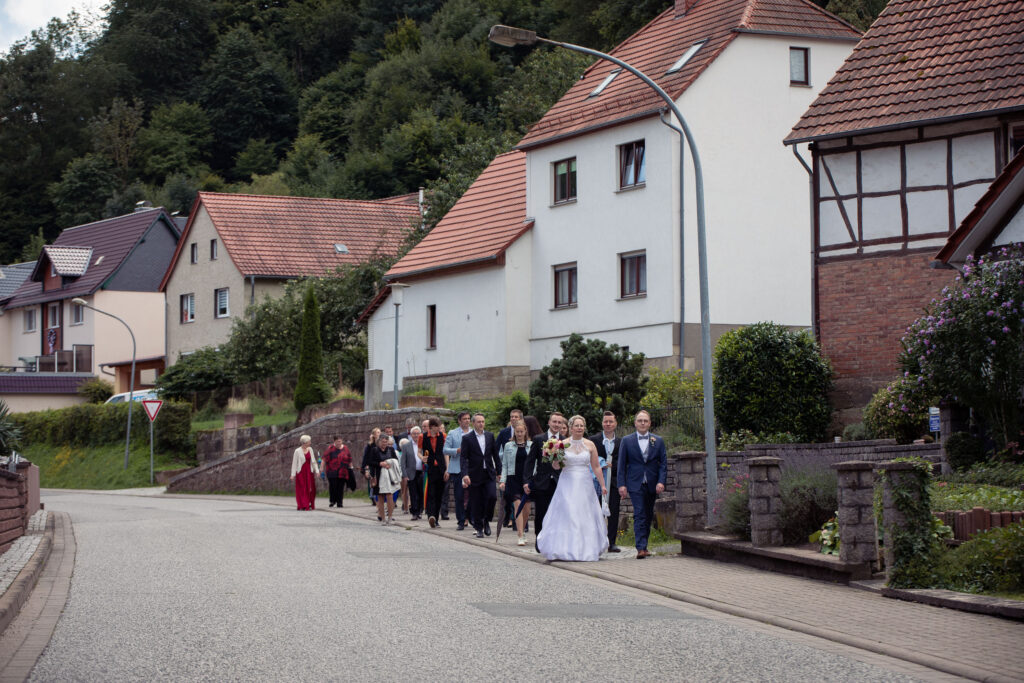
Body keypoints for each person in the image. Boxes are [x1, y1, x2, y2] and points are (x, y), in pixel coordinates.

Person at [536, 415, 609, 561]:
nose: (579, 428)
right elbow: (556, 467)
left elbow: (596, 466)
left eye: (582, 425)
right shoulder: (562, 444)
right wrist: (554, 456)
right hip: (567, 482)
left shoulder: (590, 445)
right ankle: (565, 548)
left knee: (584, 513)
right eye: (577, 425)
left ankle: (585, 548)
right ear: (571, 427)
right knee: (568, 512)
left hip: (585, 483)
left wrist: (602, 485)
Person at [617, 410, 667, 559]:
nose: (643, 423)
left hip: (652, 483)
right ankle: (640, 547)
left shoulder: (658, 441)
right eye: (640, 420)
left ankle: (644, 546)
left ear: (650, 423)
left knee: (648, 514)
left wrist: (661, 481)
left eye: (645, 421)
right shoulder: (627, 440)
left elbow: (663, 464)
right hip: (635, 483)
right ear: (635, 423)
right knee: (639, 513)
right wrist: (621, 484)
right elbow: (621, 464)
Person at [523, 412, 566, 550]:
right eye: (554, 421)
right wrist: (526, 481)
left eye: (559, 422)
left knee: (557, 513)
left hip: (559, 482)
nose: (556, 425)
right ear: (549, 422)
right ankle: (539, 538)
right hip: (542, 482)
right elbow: (530, 462)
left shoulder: (565, 441)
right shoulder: (538, 439)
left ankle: (554, 540)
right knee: (541, 512)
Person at [460, 413, 500, 538]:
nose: (481, 424)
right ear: (473, 423)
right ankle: (479, 528)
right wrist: (465, 474)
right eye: (478, 422)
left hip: (488, 473)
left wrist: (499, 472)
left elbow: (495, 455)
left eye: (483, 421)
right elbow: (463, 458)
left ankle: (486, 520)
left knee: (492, 497)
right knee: (476, 502)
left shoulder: (489, 436)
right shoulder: (467, 438)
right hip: (474, 474)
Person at [591, 411, 622, 552]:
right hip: (597, 482)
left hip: (614, 482)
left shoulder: (621, 442)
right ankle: (597, 541)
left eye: (611, 421)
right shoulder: (594, 440)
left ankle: (611, 542)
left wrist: (612, 466)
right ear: (602, 423)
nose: (608, 424)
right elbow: (590, 459)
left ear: (615, 423)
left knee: (614, 511)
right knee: (597, 511)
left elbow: (623, 461)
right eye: (605, 421)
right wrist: (602, 464)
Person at [499, 420, 532, 546]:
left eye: (521, 431)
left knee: (527, 509)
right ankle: (520, 535)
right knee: (518, 505)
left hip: (527, 479)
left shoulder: (531, 445)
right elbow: (505, 465)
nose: (519, 434)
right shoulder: (508, 446)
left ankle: (522, 530)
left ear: (525, 432)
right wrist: (503, 480)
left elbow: (534, 464)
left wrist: (533, 478)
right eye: (517, 432)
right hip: (513, 478)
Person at [443, 411, 472, 530]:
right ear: (459, 421)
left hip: (471, 469)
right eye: (464, 419)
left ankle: (469, 517)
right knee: (459, 496)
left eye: (468, 418)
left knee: (472, 495)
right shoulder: (452, 433)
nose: (467, 421)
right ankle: (461, 520)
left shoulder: (474, 433)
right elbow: (445, 450)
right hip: (457, 469)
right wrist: (457, 450)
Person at [496, 409, 524, 527]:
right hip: (507, 469)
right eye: (511, 416)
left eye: (516, 417)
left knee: (518, 498)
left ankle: (516, 521)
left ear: (520, 419)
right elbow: (496, 449)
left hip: (521, 471)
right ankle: (508, 516)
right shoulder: (504, 432)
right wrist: (498, 470)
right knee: (507, 496)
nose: (513, 418)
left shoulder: (525, 432)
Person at [366, 434, 400, 525]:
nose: (384, 443)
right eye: (382, 442)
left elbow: (396, 460)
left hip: (389, 476)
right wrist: (380, 464)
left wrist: (390, 464)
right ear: (379, 441)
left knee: (389, 495)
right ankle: (383, 518)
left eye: (386, 442)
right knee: (380, 497)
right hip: (378, 476)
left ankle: (390, 517)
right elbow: (370, 461)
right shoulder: (374, 450)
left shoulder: (391, 450)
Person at [422, 418, 448, 527]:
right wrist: (422, 458)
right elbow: (419, 452)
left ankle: (436, 519)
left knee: (439, 494)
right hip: (430, 468)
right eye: (437, 426)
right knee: (431, 493)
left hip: (441, 468)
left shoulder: (443, 436)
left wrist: (447, 469)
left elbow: (445, 453)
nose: (439, 428)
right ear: (432, 427)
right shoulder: (423, 437)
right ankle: (431, 516)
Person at [400, 426, 424, 520]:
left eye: (418, 433)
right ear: (411, 434)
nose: (416, 435)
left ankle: (420, 511)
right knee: (413, 493)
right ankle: (414, 512)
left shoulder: (424, 444)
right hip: (411, 473)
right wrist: (405, 475)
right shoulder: (406, 446)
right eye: (414, 434)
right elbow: (403, 462)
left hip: (422, 472)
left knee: (421, 493)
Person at [290, 435, 320, 511]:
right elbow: (294, 463)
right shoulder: (297, 451)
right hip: (301, 472)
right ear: (305, 442)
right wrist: (293, 475)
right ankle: (303, 504)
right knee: (302, 488)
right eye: (309, 441)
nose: (310, 443)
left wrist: (317, 471)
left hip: (309, 472)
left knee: (311, 489)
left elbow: (313, 461)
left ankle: (309, 503)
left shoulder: (310, 449)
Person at [322, 436, 352, 508]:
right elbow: (324, 459)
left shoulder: (345, 448)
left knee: (340, 487)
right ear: (334, 441)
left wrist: (351, 468)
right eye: (337, 441)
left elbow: (349, 459)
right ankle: (332, 500)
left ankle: (339, 502)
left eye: (340, 441)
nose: (339, 443)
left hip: (343, 471)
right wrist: (321, 468)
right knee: (333, 486)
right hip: (332, 471)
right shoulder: (330, 449)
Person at [362, 428, 381, 503]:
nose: (379, 433)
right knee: (373, 481)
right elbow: (366, 456)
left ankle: (378, 497)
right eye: (377, 432)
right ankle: (373, 497)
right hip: (372, 465)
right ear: (374, 434)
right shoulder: (370, 445)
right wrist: (365, 467)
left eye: (379, 432)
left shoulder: (381, 443)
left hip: (379, 464)